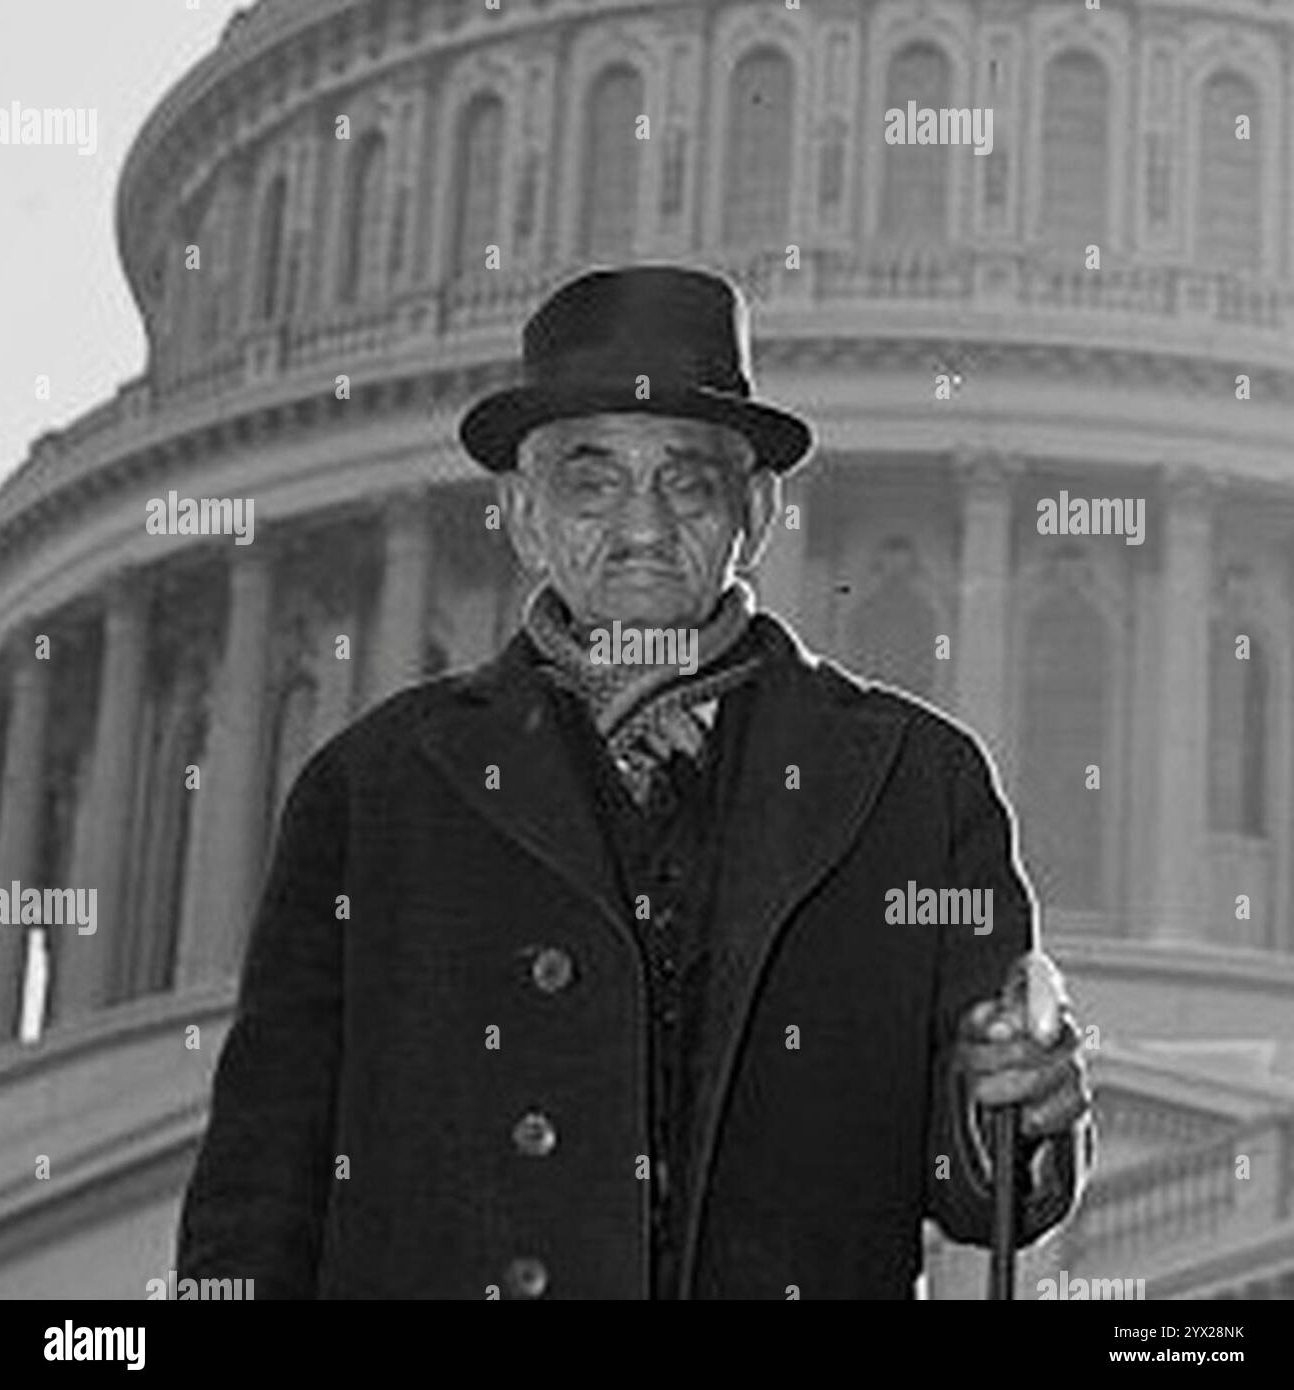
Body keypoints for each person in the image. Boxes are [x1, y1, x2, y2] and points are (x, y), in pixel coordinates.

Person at [177, 264, 1093, 1299]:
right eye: (591, 480)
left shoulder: (912, 788)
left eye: (688, 481)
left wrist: (1011, 1103)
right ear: (523, 515)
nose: (644, 527)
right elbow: (262, 1184)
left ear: (754, 509)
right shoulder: (375, 792)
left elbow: (978, 1180)